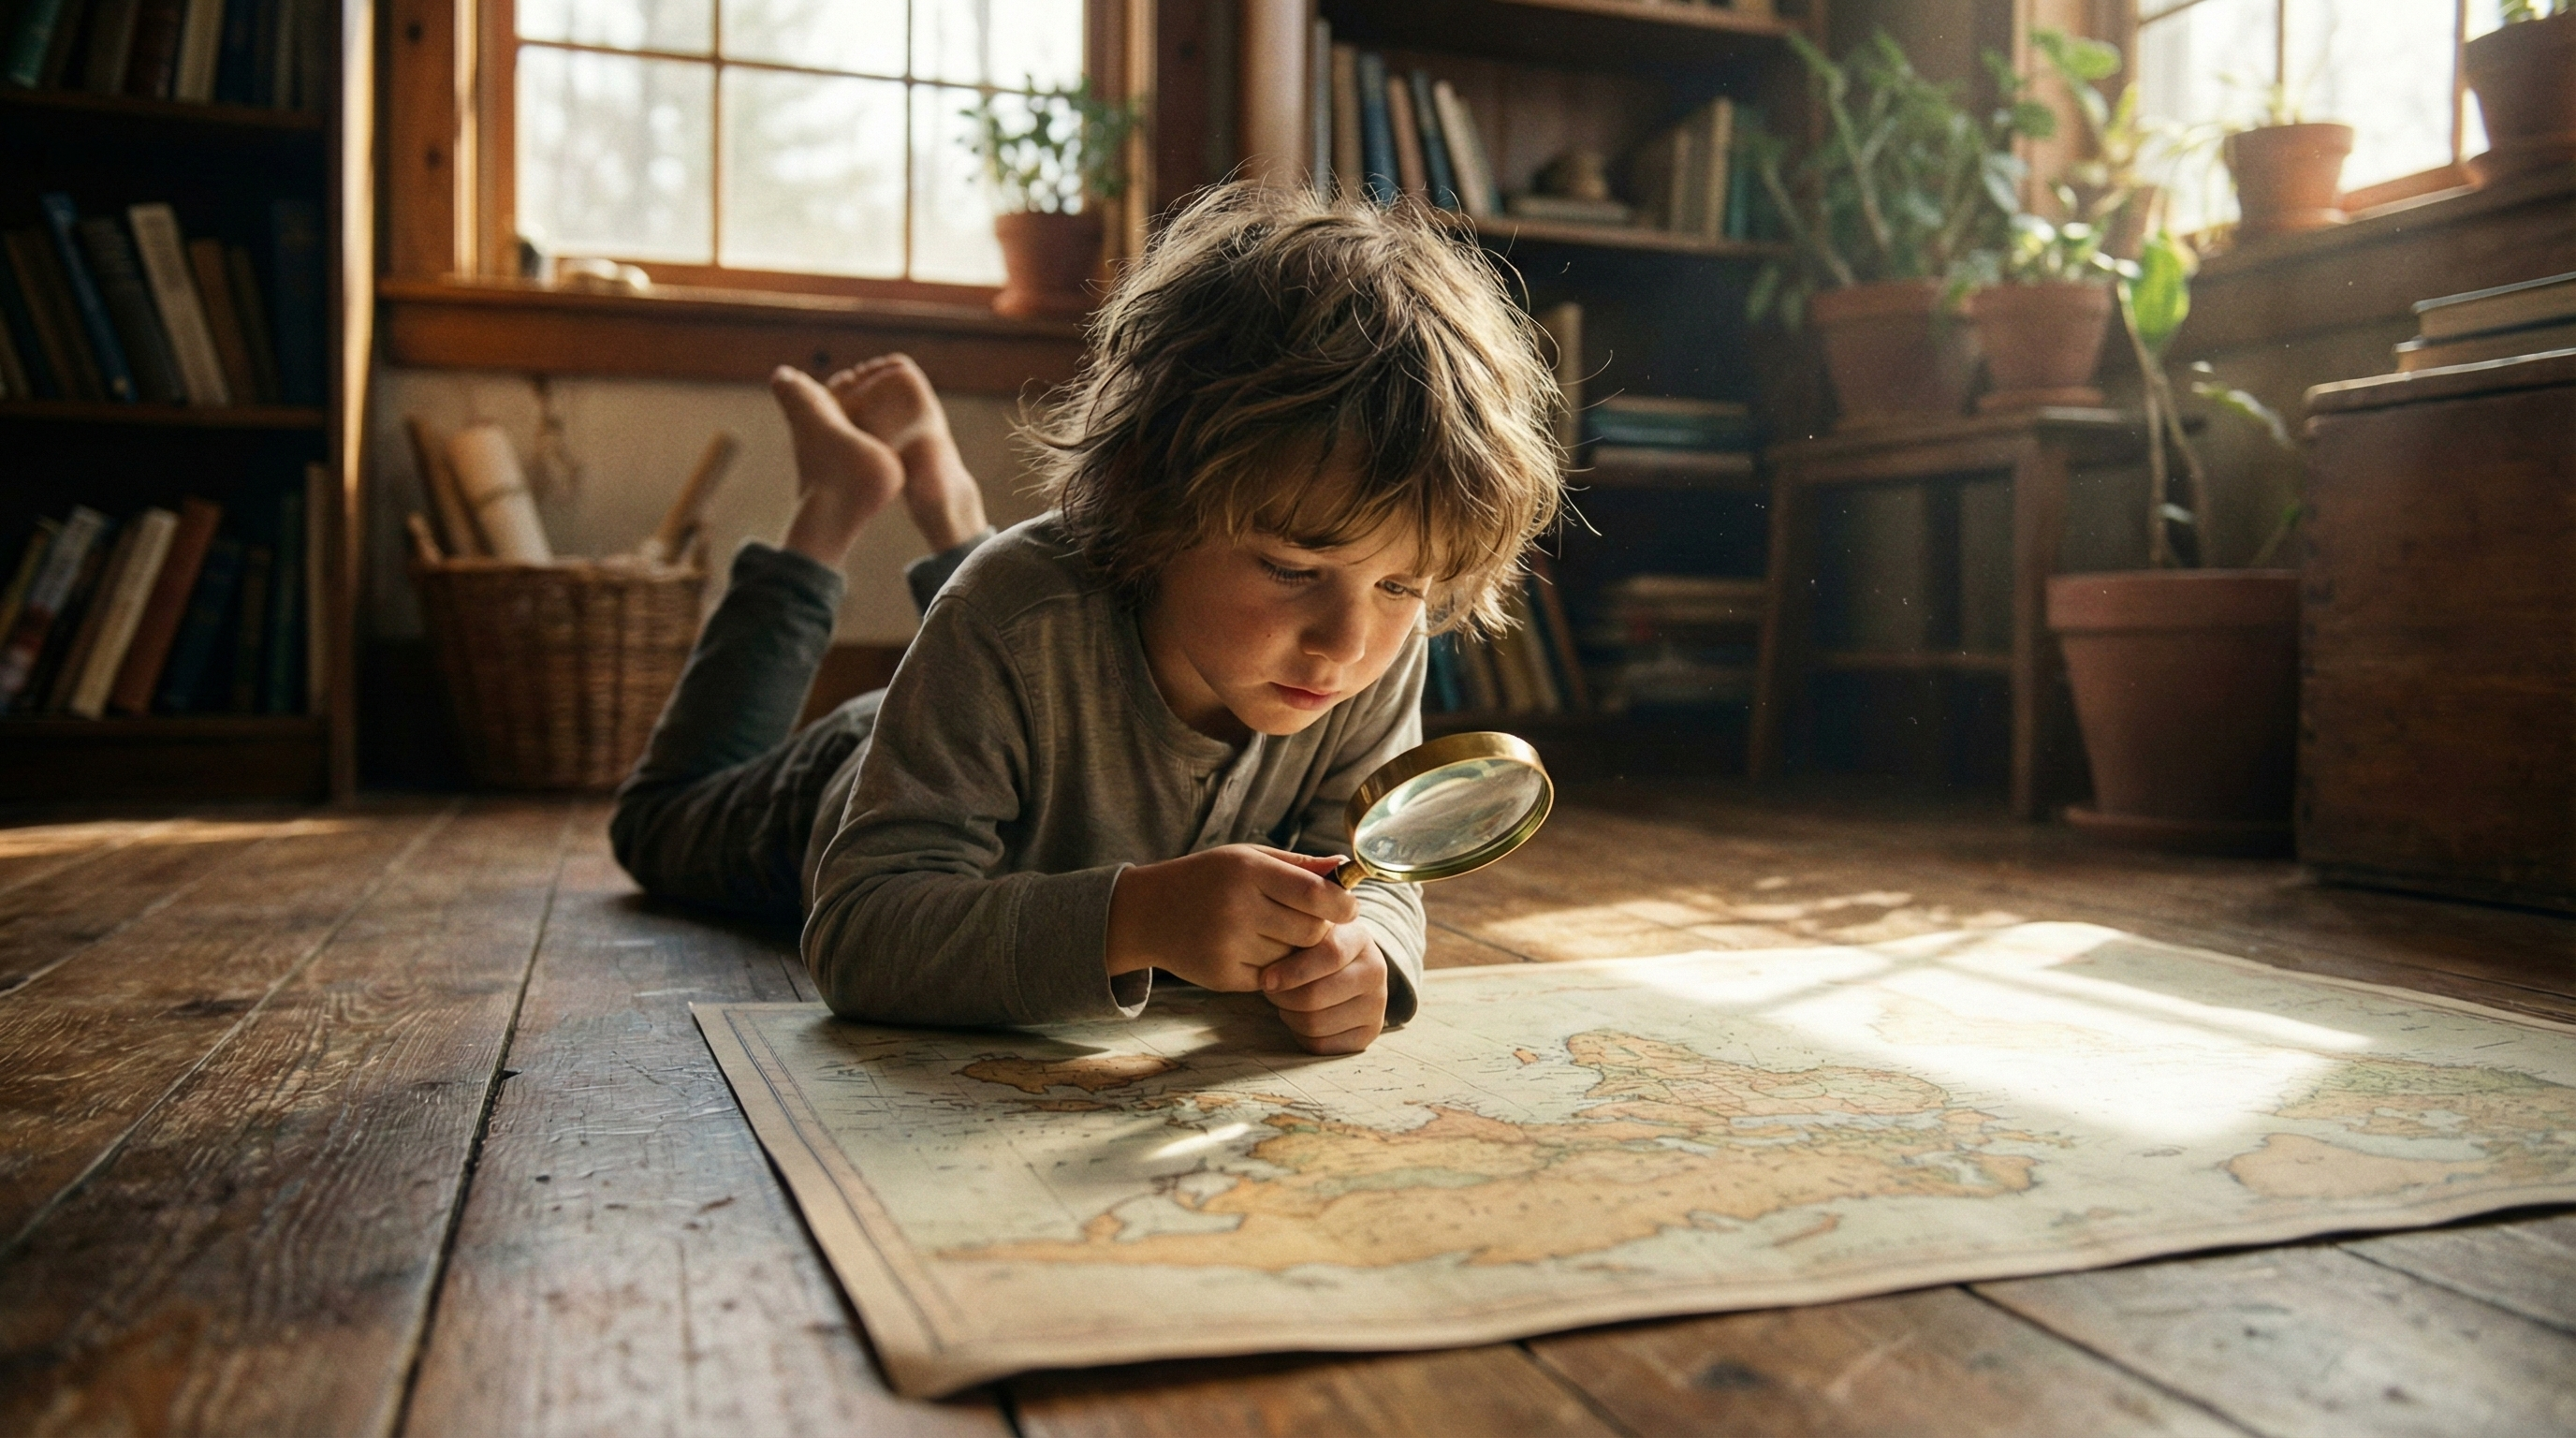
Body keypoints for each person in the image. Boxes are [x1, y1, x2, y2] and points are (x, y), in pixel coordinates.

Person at [610, 183, 1565, 1054]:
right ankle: (834, 502)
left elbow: (1371, 871)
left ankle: (943, 496)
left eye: (1404, 587)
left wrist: (1366, 958)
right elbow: (862, 933)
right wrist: (1136, 919)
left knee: (1028, 605)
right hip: (857, 777)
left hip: (1021, 672)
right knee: (656, 826)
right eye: (1288, 566)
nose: (1347, 641)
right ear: (1147, 496)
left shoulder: (1358, 650)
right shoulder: (1009, 613)